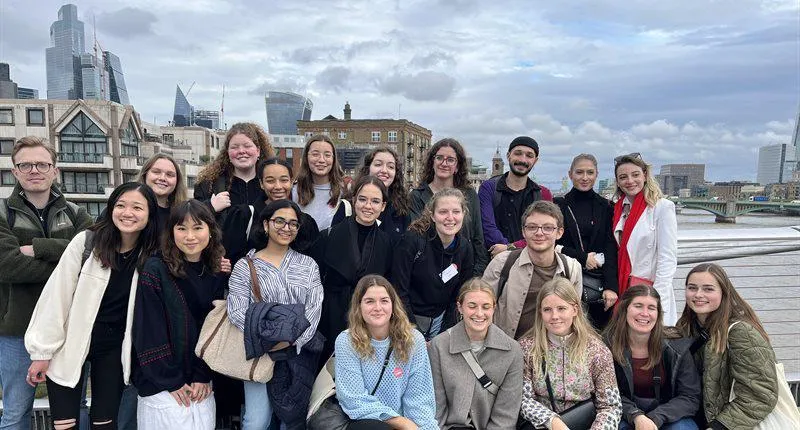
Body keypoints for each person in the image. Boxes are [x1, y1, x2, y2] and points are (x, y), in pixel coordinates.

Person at [24, 182, 160, 430]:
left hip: (114, 350)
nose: (127, 213)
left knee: (104, 424)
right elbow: (56, 297)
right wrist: (42, 353)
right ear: (111, 209)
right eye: (120, 205)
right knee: (64, 424)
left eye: (137, 207)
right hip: (70, 343)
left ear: (150, 214)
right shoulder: (87, 243)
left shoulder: (152, 255)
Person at [0, 136, 93, 429]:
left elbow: (91, 258)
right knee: (16, 413)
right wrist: (66, 259)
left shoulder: (77, 213)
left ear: (55, 170)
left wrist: (39, 248)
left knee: (74, 410)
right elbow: (7, 266)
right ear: (14, 171)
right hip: (18, 329)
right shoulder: (2, 213)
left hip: (69, 329)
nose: (34, 170)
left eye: (42, 163)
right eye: (25, 165)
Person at [227, 199, 323, 430]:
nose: (286, 227)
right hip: (260, 352)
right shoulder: (245, 265)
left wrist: (292, 339)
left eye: (293, 223)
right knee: (256, 420)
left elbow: (315, 306)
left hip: (298, 353)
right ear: (266, 224)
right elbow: (237, 310)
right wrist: (270, 338)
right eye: (279, 221)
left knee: (291, 420)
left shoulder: (308, 265)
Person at [132, 200, 225, 429]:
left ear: (210, 232)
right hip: (163, 383)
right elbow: (149, 329)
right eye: (181, 228)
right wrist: (170, 380)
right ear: (171, 232)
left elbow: (215, 328)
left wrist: (202, 374)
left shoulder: (215, 271)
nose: (190, 236)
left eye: (197, 228)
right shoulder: (156, 269)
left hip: (200, 381)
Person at [676, 263, 779, 430]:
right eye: (692, 288)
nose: (698, 295)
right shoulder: (686, 327)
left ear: (723, 292)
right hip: (697, 418)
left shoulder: (741, 332)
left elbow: (761, 394)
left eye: (708, 289)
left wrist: (719, 426)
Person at [334, 275, 438, 430]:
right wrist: (402, 423)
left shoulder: (414, 340)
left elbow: (419, 398)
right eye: (369, 301)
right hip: (364, 421)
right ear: (359, 306)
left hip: (406, 422)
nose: (378, 307)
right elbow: (354, 399)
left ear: (393, 306)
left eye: (384, 300)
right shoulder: (347, 341)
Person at [518, 277, 622, 430]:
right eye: (547, 309)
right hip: (543, 425)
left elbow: (611, 405)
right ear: (540, 312)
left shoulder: (597, 351)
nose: (554, 316)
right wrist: (552, 422)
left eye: (561, 308)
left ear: (574, 309)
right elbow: (522, 399)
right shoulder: (527, 348)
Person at [311, 175, 394, 364]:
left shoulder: (387, 243)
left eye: (375, 201)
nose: (368, 206)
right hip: (331, 316)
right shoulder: (328, 237)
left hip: (368, 317)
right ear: (354, 200)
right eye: (363, 199)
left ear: (383, 206)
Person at [428, 278, 524, 430]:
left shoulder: (512, 351)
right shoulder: (439, 345)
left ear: (494, 308)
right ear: (460, 307)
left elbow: (506, 414)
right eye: (472, 306)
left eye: (486, 307)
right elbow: (436, 406)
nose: (479, 313)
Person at [481, 200, 582, 339]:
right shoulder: (502, 263)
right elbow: (482, 309)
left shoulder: (572, 268)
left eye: (547, 228)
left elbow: (575, 317)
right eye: (532, 227)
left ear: (559, 232)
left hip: (550, 351)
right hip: (506, 348)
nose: (539, 233)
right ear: (523, 231)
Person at [604, 285, 701, 430]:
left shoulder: (677, 347)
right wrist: (636, 416)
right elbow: (605, 395)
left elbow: (690, 397)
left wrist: (657, 417)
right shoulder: (606, 347)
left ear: (658, 313)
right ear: (624, 310)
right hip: (625, 415)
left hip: (668, 416)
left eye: (651, 308)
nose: (645, 313)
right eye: (638, 306)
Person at [391, 188, 475, 340]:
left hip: (441, 320)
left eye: (456, 212)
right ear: (433, 216)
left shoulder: (465, 248)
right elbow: (398, 290)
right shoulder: (413, 241)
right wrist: (412, 331)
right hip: (408, 318)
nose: (450, 218)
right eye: (443, 212)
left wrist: (445, 332)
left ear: (463, 214)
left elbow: (460, 295)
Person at [193, 122, 273, 265]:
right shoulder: (209, 185)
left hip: (265, 268)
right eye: (234, 147)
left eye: (247, 146)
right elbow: (193, 222)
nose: (241, 151)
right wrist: (210, 207)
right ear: (228, 153)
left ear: (258, 151)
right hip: (222, 269)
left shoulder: (271, 185)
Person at [612, 153, 678, 324]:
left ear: (645, 176)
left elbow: (668, 258)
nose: (630, 181)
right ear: (618, 182)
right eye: (623, 177)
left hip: (648, 289)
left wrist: (657, 300)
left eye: (635, 175)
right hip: (624, 289)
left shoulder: (662, 207)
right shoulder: (618, 209)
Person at [555, 154, 618, 329]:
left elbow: (610, 246)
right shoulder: (558, 205)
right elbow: (551, 243)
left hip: (597, 285)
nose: (584, 177)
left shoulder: (606, 207)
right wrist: (583, 257)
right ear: (570, 174)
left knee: (599, 336)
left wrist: (611, 286)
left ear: (596, 174)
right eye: (579, 172)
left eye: (590, 172)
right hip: (565, 279)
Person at [409, 138, 488, 276]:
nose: (444, 163)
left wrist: (477, 276)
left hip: (465, 269)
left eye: (450, 160)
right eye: (439, 158)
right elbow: (417, 236)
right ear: (432, 162)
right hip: (428, 271)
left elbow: (478, 238)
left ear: (457, 166)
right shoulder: (416, 196)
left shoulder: (469, 195)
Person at [479, 136, 553, 258]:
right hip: (494, 262)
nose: (522, 160)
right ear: (509, 156)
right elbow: (488, 227)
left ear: (535, 160)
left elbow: (545, 233)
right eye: (518, 154)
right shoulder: (489, 188)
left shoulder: (543, 194)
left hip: (531, 263)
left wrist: (509, 248)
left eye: (529, 156)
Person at [231, 157, 320, 254]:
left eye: (284, 180)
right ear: (261, 183)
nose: (278, 187)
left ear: (291, 182)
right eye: (270, 181)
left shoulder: (305, 222)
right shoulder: (244, 216)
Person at [333, 146, 411, 244]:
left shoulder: (402, 209)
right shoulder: (347, 206)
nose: (384, 170)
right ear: (368, 168)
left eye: (390, 167)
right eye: (378, 164)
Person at [292, 134, 345, 231]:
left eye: (327, 155)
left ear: (334, 159)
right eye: (315, 154)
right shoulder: (293, 190)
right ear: (306, 157)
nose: (321, 160)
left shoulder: (344, 193)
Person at [136, 153, 188, 229]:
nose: (162, 178)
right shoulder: (130, 211)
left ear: (177, 181)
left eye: (169, 174)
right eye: (156, 172)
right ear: (145, 175)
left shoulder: (183, 214)